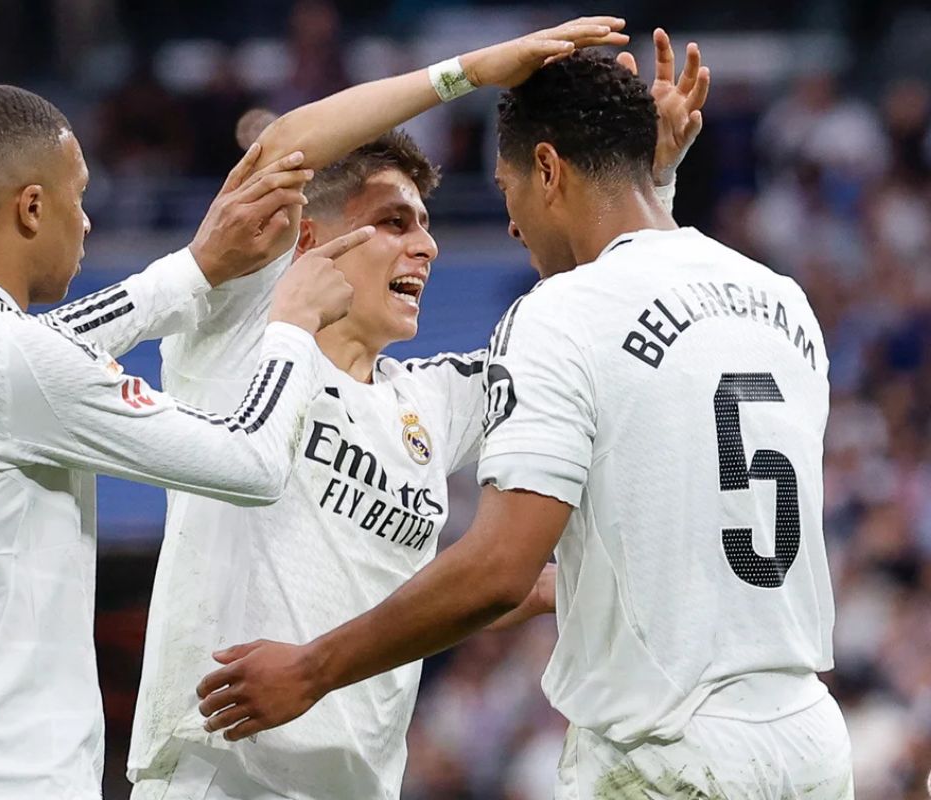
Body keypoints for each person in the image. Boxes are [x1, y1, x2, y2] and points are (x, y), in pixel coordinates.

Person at [197, 51, 855, 799]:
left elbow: (498, 569)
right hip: (809, 736)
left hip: (670, 752)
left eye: (508, 190)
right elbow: (650, 364)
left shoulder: (559, 315)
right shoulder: (782, 300)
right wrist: (652, 178)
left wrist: (312, 668)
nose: (511, 224)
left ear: (547, 169)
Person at [130, 23, 708, 800]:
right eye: (396, 221)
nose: (426, 246)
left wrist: (643, 182)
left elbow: (599, 321)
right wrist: (467, 73)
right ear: (305, 238)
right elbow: (282, 150)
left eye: (427, 225)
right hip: (222, 778)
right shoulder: (238, 339)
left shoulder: (435, 397)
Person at [0, 83, 370, 799]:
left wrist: (196, 269)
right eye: (78, 198)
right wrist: (292, 326)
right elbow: (252, 462)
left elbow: (26, 356)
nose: (86, 221)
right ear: (32, 207)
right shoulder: (14, 362)